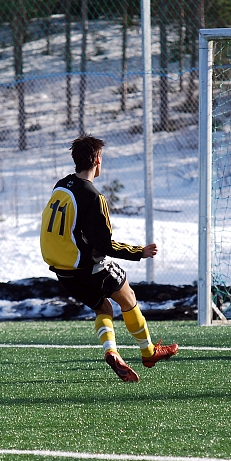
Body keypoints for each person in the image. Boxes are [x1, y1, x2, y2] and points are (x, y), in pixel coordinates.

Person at [40, 135, 178, 382]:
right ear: (97, 160)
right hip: (88, 266)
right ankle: (148, 353)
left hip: (62, 270)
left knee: (103, 307)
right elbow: (104, 245)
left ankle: (111, 351)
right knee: (129, 299)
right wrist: (139, 252)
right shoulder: (93, 197)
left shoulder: (61, 185)